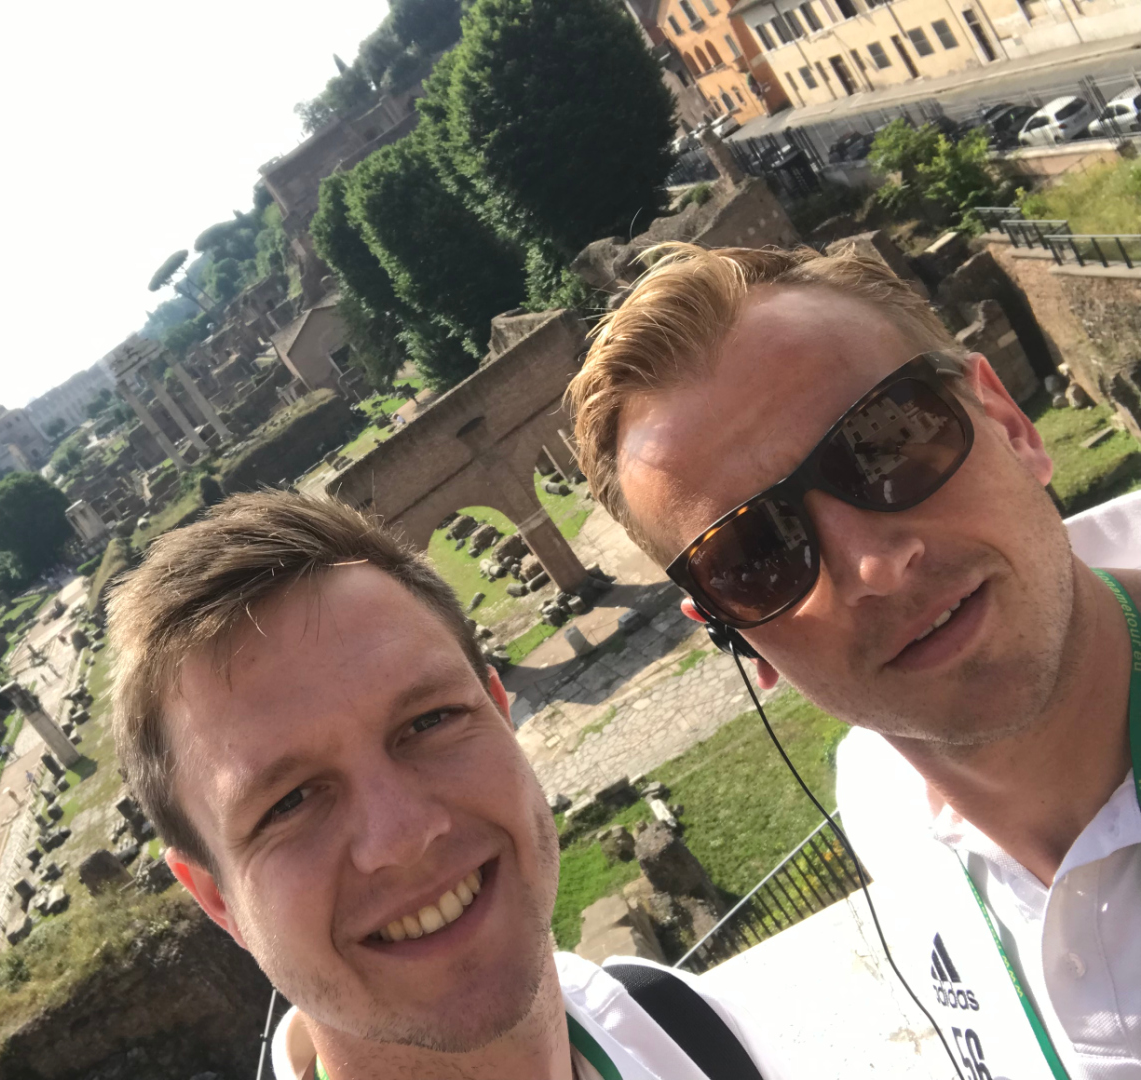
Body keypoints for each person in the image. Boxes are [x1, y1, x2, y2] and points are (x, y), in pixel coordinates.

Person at [567, 242, 1141, 1079]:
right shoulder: (876, 799)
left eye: (889, 441)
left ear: (1011, 426)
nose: (875, 568)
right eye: (755, 555)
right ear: (737, 635)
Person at [107, 492, 793, 1080]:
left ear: (501, 713)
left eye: (429, 721)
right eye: (288, 802)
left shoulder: (683, 1027)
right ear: (217, 899)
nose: (404, 837)